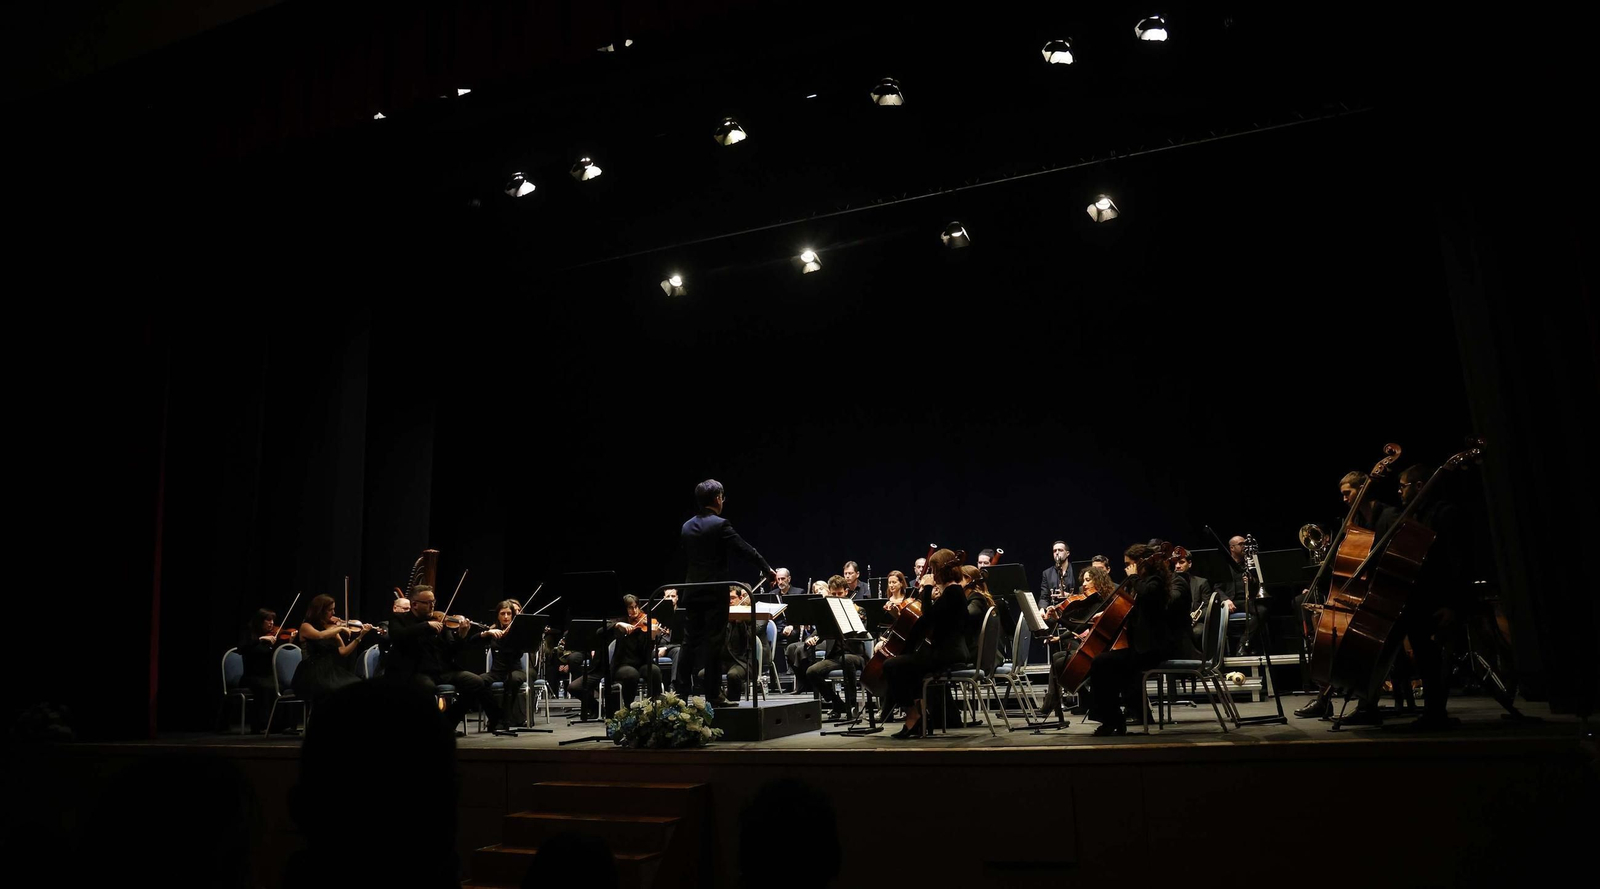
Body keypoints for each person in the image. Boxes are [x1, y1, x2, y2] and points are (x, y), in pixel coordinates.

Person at [680, 479, 775, 707]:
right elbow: (744, 549)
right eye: (722, 497)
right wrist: (766, 568)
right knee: (714, 643)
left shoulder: (686, 526)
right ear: (717, 499)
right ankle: (713, 695)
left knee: (689, 643)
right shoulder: (720, 525)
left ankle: (679, 694)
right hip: (714, 593)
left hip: (692, 592)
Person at [1083, 544, 1188, 736]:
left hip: (1154, 649)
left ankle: (1112, 719)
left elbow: (1148, 597)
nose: (1127, 568)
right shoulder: (1141, 583)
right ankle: (1113, 718)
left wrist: (1133, 577)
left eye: (1129, 564)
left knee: (1102, 663)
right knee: (1103, 663)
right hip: (1142, 647)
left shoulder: (1155, 581)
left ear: (1141, 563)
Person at [882, 549, 982, 739]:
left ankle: (914, 717)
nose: (932, 574)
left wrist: (927, 590)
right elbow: (930, 620)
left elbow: (928, 619)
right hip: (946, 651)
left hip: (948, 654)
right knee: (908, 666)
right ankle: (919, 717)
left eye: (933, 570)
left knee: (892, 665)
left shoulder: (953, 592)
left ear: (941, 571)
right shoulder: (952, 592)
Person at [383, 585, 501, 733]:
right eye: (427, 603)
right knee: (426, 687)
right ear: (414, 604)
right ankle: (424, 727)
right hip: (416, 672)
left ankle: (447, 723)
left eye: (433, 602)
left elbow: (452, 650)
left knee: (476, 682)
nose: (432, 606)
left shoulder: (440, 621)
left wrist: (461, 636)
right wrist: (426, 625)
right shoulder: (399, 619)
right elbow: (398, 636)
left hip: (443, 671)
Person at [1034, 565, 1114, 719]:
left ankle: (1054, 704)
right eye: (1083, 581)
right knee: (1057, 657)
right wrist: (1060, 618)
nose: (1084, 584)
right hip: (1094, 648)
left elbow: (1080, 628)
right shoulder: (1093, 601)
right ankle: (1058, 703)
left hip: (1101, 651)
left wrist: (1060, 619)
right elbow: (1078, 625)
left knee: (1060, 662)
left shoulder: (1101, 602)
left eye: (1088, 580)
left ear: (1098, 581)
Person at [292, 594, 370, 714]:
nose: (333, 613)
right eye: (330, 610)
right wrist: (339, 629)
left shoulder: (331, 628)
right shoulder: (306, 626)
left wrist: (360, 636)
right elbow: (320, 635)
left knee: (356, 685)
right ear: (320, 610)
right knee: (335, 690)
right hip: (311, 672)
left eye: (333, 609)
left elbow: (343, 651)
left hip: (329, 671)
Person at [805, 576, 868, 719]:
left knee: (848, 660)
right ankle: (837, 703)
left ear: (846, 592)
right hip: (835, 657)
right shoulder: (827, 613)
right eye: (833, 594)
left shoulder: (858, 610)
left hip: (855, 655)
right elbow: (819, 631)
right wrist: (811, 638)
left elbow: (862, 633)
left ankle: (852, 704)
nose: (836, 597)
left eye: (840, 594)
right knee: (811, 672)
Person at [477, 599, 530, 729]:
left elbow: (520, 653)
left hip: (515, 670)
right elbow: (472, 641)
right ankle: (496, 716)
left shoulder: (517, 632)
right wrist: (486, 633)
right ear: (498, 615)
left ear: (513, 615)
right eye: (502, 613)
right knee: (477, 682)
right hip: (496, 672)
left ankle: (504, 719)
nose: (506, 617)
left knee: (512, 680)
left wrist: (513, 636)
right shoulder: (493, 631)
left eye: (508, 613)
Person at [237, 608, 288, 733]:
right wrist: (260, 639)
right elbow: (241, 649)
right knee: (266, 688)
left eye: (273, 620)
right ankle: (260, 725)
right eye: (268, 620)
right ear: (260, 621)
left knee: (281, 687)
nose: (272, 623)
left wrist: (285, 642)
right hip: (251, 677)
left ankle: (277, 725)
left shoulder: (272, 637)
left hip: (267, 676)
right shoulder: (249, 635)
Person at [613, 594, 666, 703]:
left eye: (636, 607)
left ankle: (653, 705)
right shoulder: (618, 623)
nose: (635, 611)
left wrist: (652, 637)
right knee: (632, 674)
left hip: (641, 663)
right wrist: (619, 624)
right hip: (623, 664)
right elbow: (602, 630)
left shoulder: (644, 625)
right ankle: (628, 707)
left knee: (654, 670)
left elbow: (645, 652)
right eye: (630, 608)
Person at [1039, 540, 1074, 608]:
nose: (1057, 553)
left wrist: (1069, 596)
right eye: (1054, 551)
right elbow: (1044, 597)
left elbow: (1082, 595)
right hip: (1054, 610)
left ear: (1067, 553)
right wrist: (1042, 609)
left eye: (1060, 550)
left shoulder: (1075, 570)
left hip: (1074, 609)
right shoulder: (1047, 573)